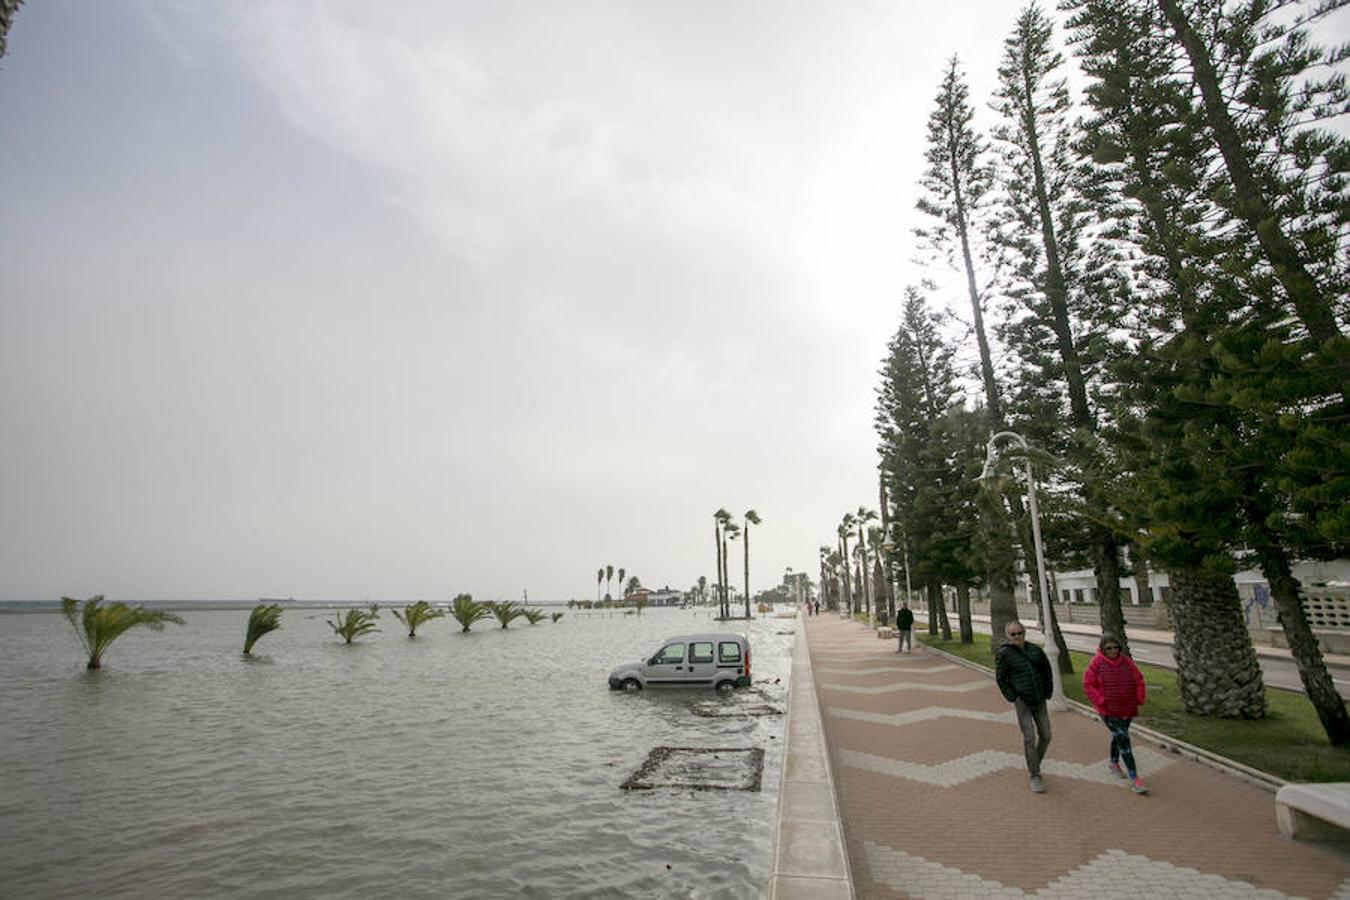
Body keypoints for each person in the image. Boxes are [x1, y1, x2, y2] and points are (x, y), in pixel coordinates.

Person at [1082, 633, 1148, 794]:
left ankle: (1113, 763)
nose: (1112, 651)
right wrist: (1100, 700)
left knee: (1118, 735)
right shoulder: (1096, 663)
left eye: (1115, 647)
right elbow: (1088, 684)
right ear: (1103, 649)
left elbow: (1138, 679)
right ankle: (1135, 778)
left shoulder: (1126, 662)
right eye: (1108, 648)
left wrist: (1139, 697)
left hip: (1127, 708)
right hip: (1109, 711)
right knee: (1124, 742)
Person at [994, 620, 1053, 793]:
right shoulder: (1004, 654)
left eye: (1020, 633)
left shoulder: (1035, 650)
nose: (1017, 637)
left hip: (1039, 699)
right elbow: (1001, 678)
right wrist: (1013, 696)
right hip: (1022, 701)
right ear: (1008, 636)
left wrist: (1048, 692)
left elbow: (1046, 672)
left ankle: (1033, 761)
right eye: (1013, 634)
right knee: (1029, 737)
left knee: (1046, 735)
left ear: (1024, 633)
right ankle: (1035, 774)